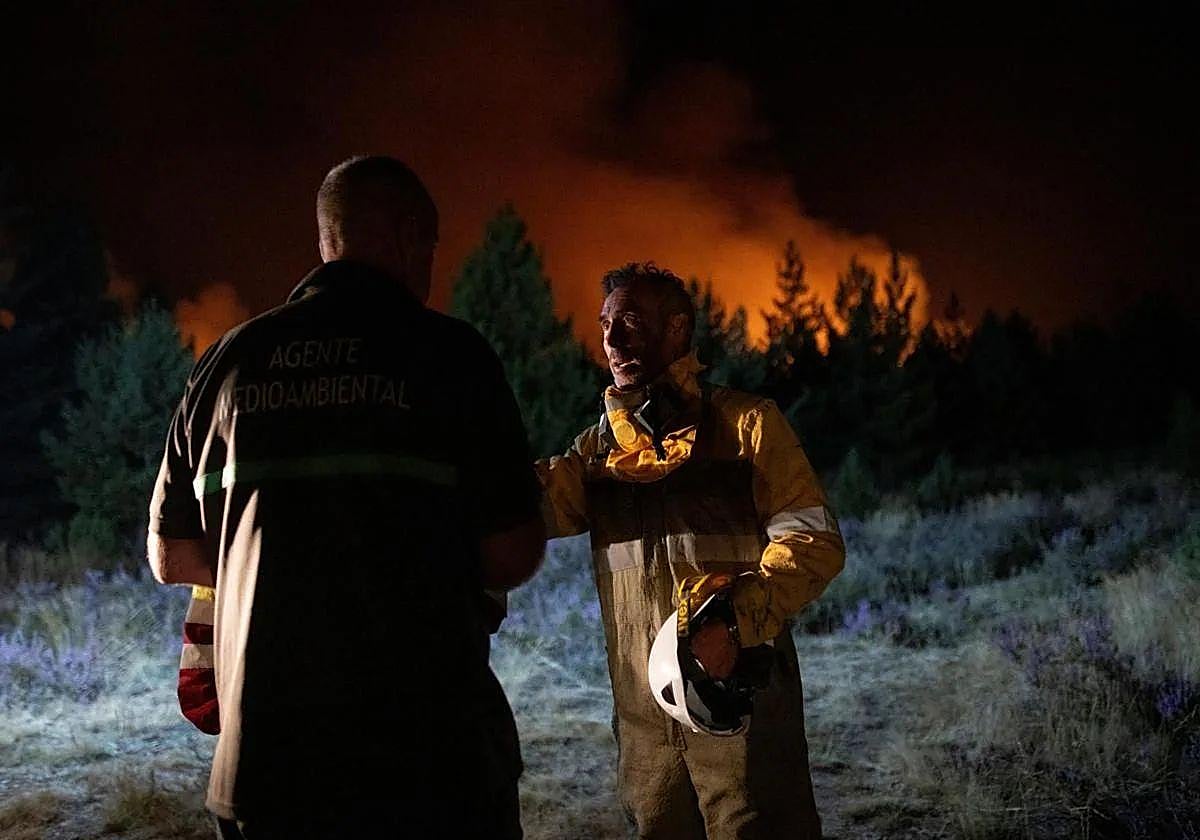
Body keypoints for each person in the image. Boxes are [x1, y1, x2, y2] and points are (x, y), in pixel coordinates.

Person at [147, 155, 545, 839]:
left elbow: (171, 553)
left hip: (265, 776)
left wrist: (283, 555)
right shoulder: (451, 357)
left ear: (327, 238)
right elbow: (509, 553)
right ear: (409, 233)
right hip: (430, 771)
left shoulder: (226, 362)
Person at [537, 262, 845, 839]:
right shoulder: (597, 454)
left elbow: (813, 541)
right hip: (646, 732)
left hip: (742, 712)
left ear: (677, 329)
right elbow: (521, 512)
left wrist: (730, 622)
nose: (611, 338)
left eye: (629, 321)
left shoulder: (748, 425)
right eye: (605, 323)